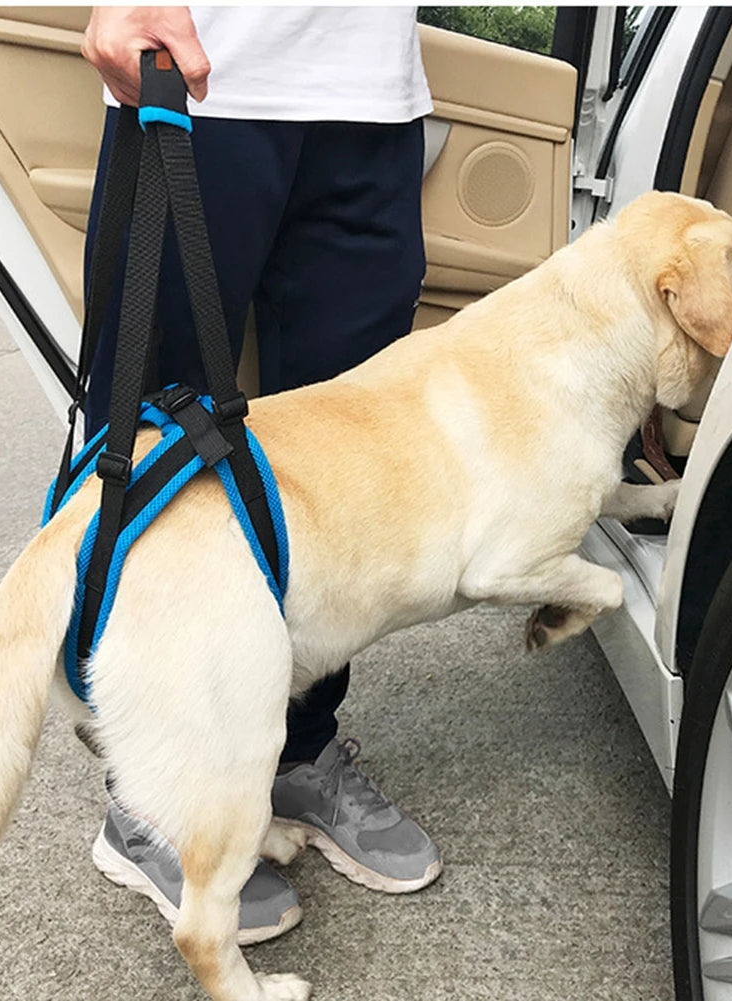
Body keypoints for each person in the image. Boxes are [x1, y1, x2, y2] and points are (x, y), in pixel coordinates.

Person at [81, 5, 441, 942]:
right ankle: (152, 793)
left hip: (371, 100)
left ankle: (296, 751)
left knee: (344, 472)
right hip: (201, 69)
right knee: (157, 457)